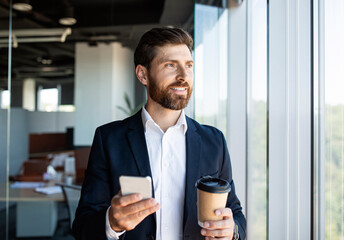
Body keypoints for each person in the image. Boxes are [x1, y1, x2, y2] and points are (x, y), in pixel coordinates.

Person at [73, 27, 246, 240]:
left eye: (188, 66)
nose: (184, 76)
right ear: (143, 74)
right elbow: (83, 226)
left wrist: (233, 230)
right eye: (171, 65)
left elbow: (234, 212)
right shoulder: (109, 139)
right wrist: (112, 223)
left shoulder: (214, 141)